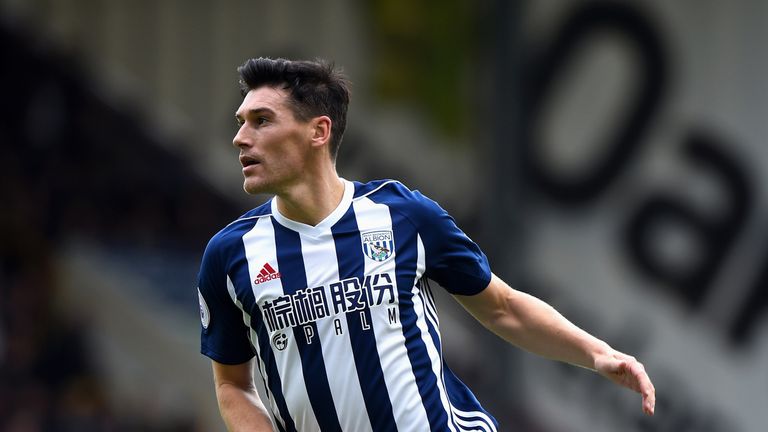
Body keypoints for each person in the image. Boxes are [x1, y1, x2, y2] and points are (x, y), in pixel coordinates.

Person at [196, 57, 655, 432]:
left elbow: (501, 306)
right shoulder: (229, 255)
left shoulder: (403, 215)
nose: (240, 138)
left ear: (319, 131)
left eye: (261, 121)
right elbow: (232, 385)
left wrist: (597, 353)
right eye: (241, 122)